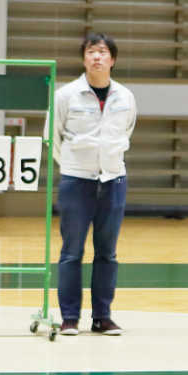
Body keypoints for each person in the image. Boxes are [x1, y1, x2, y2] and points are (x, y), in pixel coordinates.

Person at [52, 32, 135, 336]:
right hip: (76, 182)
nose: (97, 57)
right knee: (72, 251)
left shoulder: (125, 97)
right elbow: (54, 135)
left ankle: (102, 317)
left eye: (102, 52)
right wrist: (74, 167)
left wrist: (108, 164)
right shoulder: (66, 95)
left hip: (113, 180)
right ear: (83, 58)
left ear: (112, 60)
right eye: (91, 52)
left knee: (107, 253)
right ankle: (70, 317)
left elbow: (127, 132)